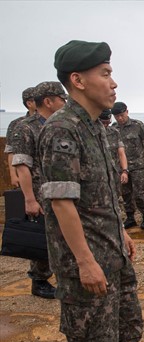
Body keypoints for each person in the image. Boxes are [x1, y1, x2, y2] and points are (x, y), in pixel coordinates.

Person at [39, 39, 144, 342]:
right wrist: (85, 260)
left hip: (112, 249)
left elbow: (103, 194)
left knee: (124, 322)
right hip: (86, 257)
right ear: (78, 80)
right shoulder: (62, 130)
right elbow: (62, 203)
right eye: (105, 74)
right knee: (92, 332)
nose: (113, 83)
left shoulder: (96, 128)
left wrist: (121, 233)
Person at [8, 81, 67, 299]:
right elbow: (22, 165)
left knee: (63, 235)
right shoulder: (26, 128)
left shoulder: (59, 125)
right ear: (48, 102)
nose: (65, 103)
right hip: (39, 191)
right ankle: (39, 280)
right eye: (61, 99)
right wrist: (30, 199)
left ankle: (64, 275)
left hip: (60, 189)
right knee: (43, 236)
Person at [111, 101, 144, 230]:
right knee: (125, 193)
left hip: (137, 165)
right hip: (121, 167)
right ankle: (130, 217)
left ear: (127, 112)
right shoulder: (113, 128)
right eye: (117, 116)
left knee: (139, 193)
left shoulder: (138, 125)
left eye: (122, 115)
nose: (120, 118)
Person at [5, 87, 37, 188]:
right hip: (26, 174)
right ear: (29, 103)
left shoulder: (50, 121)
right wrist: (13, 175)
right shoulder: (16, 124)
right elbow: (11, 152)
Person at [99, 109, 129, 189]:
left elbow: (121, 153)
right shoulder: (91, 134)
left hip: (114, 173)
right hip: (99, 175)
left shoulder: (114, 132)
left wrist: (125, 171)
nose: (105, 125)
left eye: (108, 122)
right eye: (103, 123)